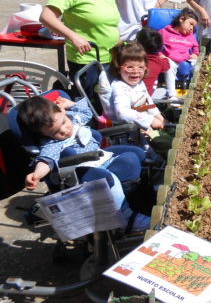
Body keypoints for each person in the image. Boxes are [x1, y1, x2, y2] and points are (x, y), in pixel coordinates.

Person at [18, 95, 149, 231]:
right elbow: (46, 160)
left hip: (101, 157)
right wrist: (37, 174)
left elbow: (86, 111)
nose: (64, 130)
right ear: (45, 134)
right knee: (110, 178)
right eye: (55, 132)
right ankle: (127, 218)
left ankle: (148, 187)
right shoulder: (52, 144)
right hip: (85, 170)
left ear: (62, 111)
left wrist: (70, 104)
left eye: (63, 122)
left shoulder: (74, 119)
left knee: (135, 154)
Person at [40, 0, 120, 95]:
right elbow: (46, 17)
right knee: (90, 110)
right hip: (87, 62)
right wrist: (73, 37)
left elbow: (110, 25)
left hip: (109, 60)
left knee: (107, 110)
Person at [108, 42, 165, 130]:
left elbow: (148, 101)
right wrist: (150, 120)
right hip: (128, 130)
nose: (136, 71)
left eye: (140, 67)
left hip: (144, 126)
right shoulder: (119, 87)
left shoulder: (139, 83)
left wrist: (157, 114)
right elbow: (122, 112)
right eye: (130, 67)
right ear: (119, 68)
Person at [158, 8, 200, 99]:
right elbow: (154, 44)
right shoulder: (164, 32)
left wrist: (195, 54)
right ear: (181, 19)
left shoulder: (191, 36)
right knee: (169, 65)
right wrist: (160, 54)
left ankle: (197, 92)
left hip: (187, 60)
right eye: (190, 24)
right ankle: (172, 95)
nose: (192, 28)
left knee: (199, 66)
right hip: (170, 60)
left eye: (194, 27)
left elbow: (196, 46)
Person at [136, 28, 170, 96]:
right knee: (162, 90)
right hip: (146, 97)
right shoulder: (159, 62)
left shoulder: (132, 59)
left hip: (128, 94)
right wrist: (163, 57)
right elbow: (167, 65)